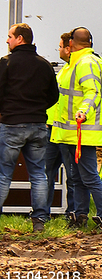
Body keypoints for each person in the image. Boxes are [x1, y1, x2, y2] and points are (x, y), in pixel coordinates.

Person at [51, 27, 102, 230]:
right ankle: (79, 217)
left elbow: (93, 92)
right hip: (70, 133)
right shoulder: (75, 63)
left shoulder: (85, 63)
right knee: (77, 178)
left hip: (83, 133)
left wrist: (83, 112)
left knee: (89, 177)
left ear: (71, 43)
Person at [0, 23, 59, 232]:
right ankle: (40, 220)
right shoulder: (44, 65)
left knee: (4, 174)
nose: (7, 40)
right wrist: (38, 109)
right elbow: (54, 96)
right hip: (38, 126)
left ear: (20, 39)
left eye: (9, 36)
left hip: (12, 124)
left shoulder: (6, 63)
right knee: (38, 174)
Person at [45, 32, 76, 223]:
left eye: (59, 46)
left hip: (69, 131)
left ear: (68, 47)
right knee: (45, 173)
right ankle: (42, 212)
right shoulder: (64, 69)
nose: (58, 49)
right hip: (53, 129)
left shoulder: (77, 69)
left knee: (72, 176)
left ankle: (73, 214)